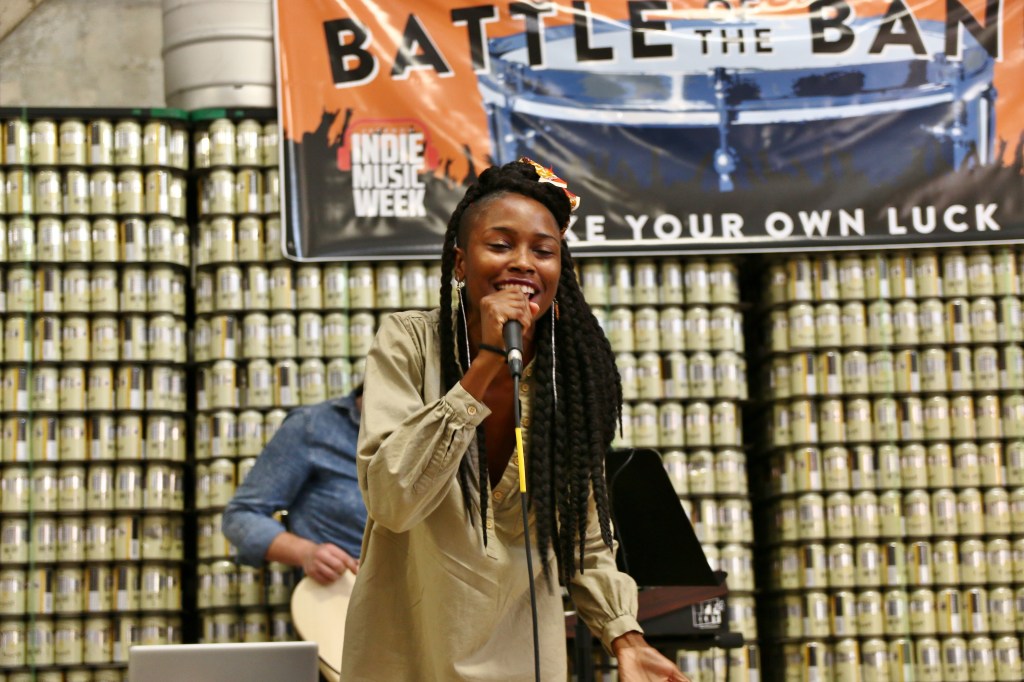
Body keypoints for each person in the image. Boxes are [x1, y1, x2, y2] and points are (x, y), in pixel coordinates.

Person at [342, 159, 689, 681]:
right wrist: (485, 365)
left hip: (522, 659)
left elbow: (587, 542)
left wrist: (626, 636)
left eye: (544, 251)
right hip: (407, 656)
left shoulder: (567, 379)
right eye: (501, 245)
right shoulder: (410, 342)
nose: (523, 263)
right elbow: (392, 500)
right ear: (461, 264)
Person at [222, 386, 366, 584]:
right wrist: (307, 552)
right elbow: (240, 516)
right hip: (340, 595)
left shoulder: (409, 434)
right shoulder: (312, 426)